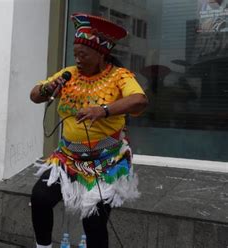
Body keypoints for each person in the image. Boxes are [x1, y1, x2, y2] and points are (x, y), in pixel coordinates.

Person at [29, 13, 148, 248]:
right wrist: (47, 88)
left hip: (106, 162)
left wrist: (103, 110)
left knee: (93, 222)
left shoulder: (119, 76)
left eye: (83, 54)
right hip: (68, 158)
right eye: (75, 54)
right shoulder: (69, 74)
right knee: (40, 198)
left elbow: (140, 100)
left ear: (101, 54)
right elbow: (34, 96)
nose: (78, 59)